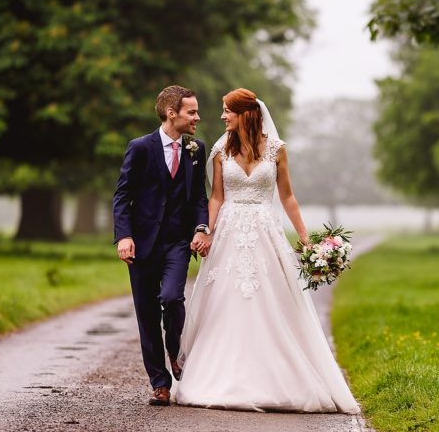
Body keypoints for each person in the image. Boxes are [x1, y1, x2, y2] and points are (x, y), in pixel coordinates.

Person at [171, 88, 360, 414]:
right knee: (226, 303)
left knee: (270, 301)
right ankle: (222, 377)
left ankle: (279, 380)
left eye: (227, 110)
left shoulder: (276, 149)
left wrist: (306, 239)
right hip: (230, 232)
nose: (222, 116)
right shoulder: (219, 150)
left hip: (264, 230)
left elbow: (287, 197)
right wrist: (206, 231)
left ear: (245, 113)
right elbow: (215, 197)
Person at [112, 85, 209, 406]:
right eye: (191, 112)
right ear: (172, 114)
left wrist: (200, 227)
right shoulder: (140, 148)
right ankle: (160, 383)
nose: (197, 117)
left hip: (177, 243)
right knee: (147, 313)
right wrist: (124, 236)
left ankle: (176, 350)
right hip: (142, 245)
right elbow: (123, 195)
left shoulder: (197, 149)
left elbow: (198, 198)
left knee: (172, 297)